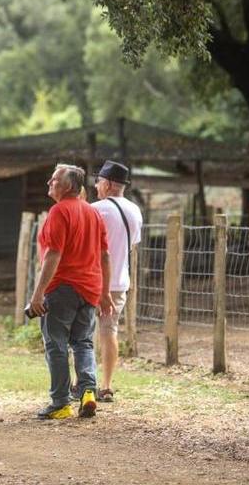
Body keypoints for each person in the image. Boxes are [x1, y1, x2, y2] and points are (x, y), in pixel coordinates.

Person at [28, 164, 113, 419]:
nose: (49, 183)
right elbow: (105, 255)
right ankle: (88, 390)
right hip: (90, 288)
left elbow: (53, 254)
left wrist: (38, 293)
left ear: (67, 186)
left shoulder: (58, 212)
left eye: (54, 180)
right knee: (83, 342)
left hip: (62, 288)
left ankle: (60, 403)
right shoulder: (93, 213)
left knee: (56, 345)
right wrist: (105, 291)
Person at [91, 160, 143, 402]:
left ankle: (84, 383)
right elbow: (132, 244)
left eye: (99, 181)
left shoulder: (96, 209)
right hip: (120, 281)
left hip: (92, 281)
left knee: (81, 334)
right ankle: (107, 385)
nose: (95, 186)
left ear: (109, 184)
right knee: (109, 331)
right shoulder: (135, 210)